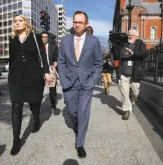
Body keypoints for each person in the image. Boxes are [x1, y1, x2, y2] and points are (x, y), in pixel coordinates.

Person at [57, 11, 103, 158]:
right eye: (75, 22)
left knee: (83, 112)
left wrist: (92, 80)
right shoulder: (65, 40)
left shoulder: (94, 41)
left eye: (80, 22)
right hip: (69, 83)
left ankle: (80, 144)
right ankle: (78, 126)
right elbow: (61, 61)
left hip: (86, 83)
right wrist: (63, 78)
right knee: (72, 112)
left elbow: (98, 64)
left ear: (86, 24)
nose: (76, 25)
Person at [8, 15, 51, 156]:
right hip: (16, 78)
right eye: (15, 21)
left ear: (26, 23)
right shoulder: (12, 39)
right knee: (16, 105)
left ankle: (36, 120)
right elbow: (12, 58)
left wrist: (46, 72)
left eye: (20, 21)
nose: (17, 23)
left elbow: (43, 57)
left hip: (33, 77)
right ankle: (16, 140)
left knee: (34, 103)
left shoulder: (35, 37)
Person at [119, 29, 148, 120]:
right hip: (124, 72)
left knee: (135, 92)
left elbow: (145, 54)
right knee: (124, 93)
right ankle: (127, 110)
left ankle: (131, 101)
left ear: (136, 36)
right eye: (128, 35)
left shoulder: (141, 44)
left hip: (135, 73)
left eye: (131, 35)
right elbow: (117, 56)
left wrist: (133, 53)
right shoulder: (123, 44)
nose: (129, 36)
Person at [41, 32, 59, 110]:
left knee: (52, 89)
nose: (44, 38)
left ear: (48, 38)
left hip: (50, 69)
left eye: (46, 37)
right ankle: (38, 104)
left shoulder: (53, 46)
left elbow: (57, 56)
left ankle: (53, 103)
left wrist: (56, 61)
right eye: (43, 37)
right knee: (39, 88)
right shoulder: (38, 47)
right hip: (40, 69)